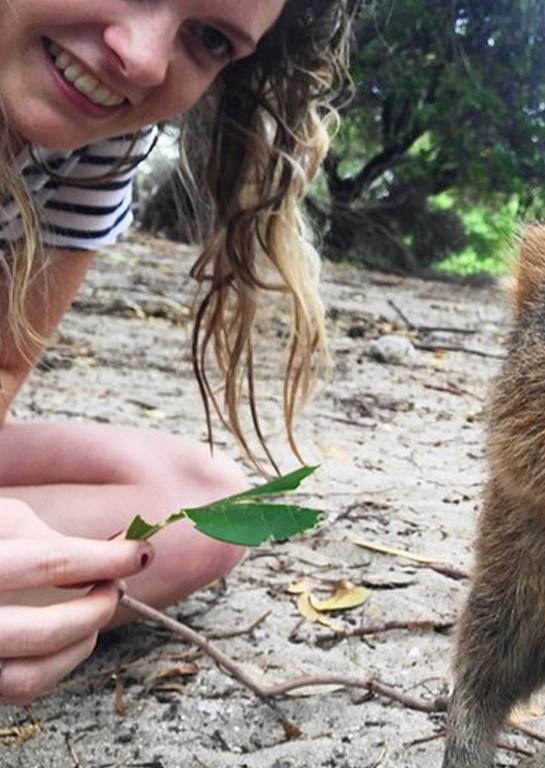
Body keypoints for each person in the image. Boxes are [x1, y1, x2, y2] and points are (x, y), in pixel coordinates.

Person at [0, 0, 353, 706]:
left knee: (211, 503)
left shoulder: (90, 144)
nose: (141, 58)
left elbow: (5, 367)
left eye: (211, 37)